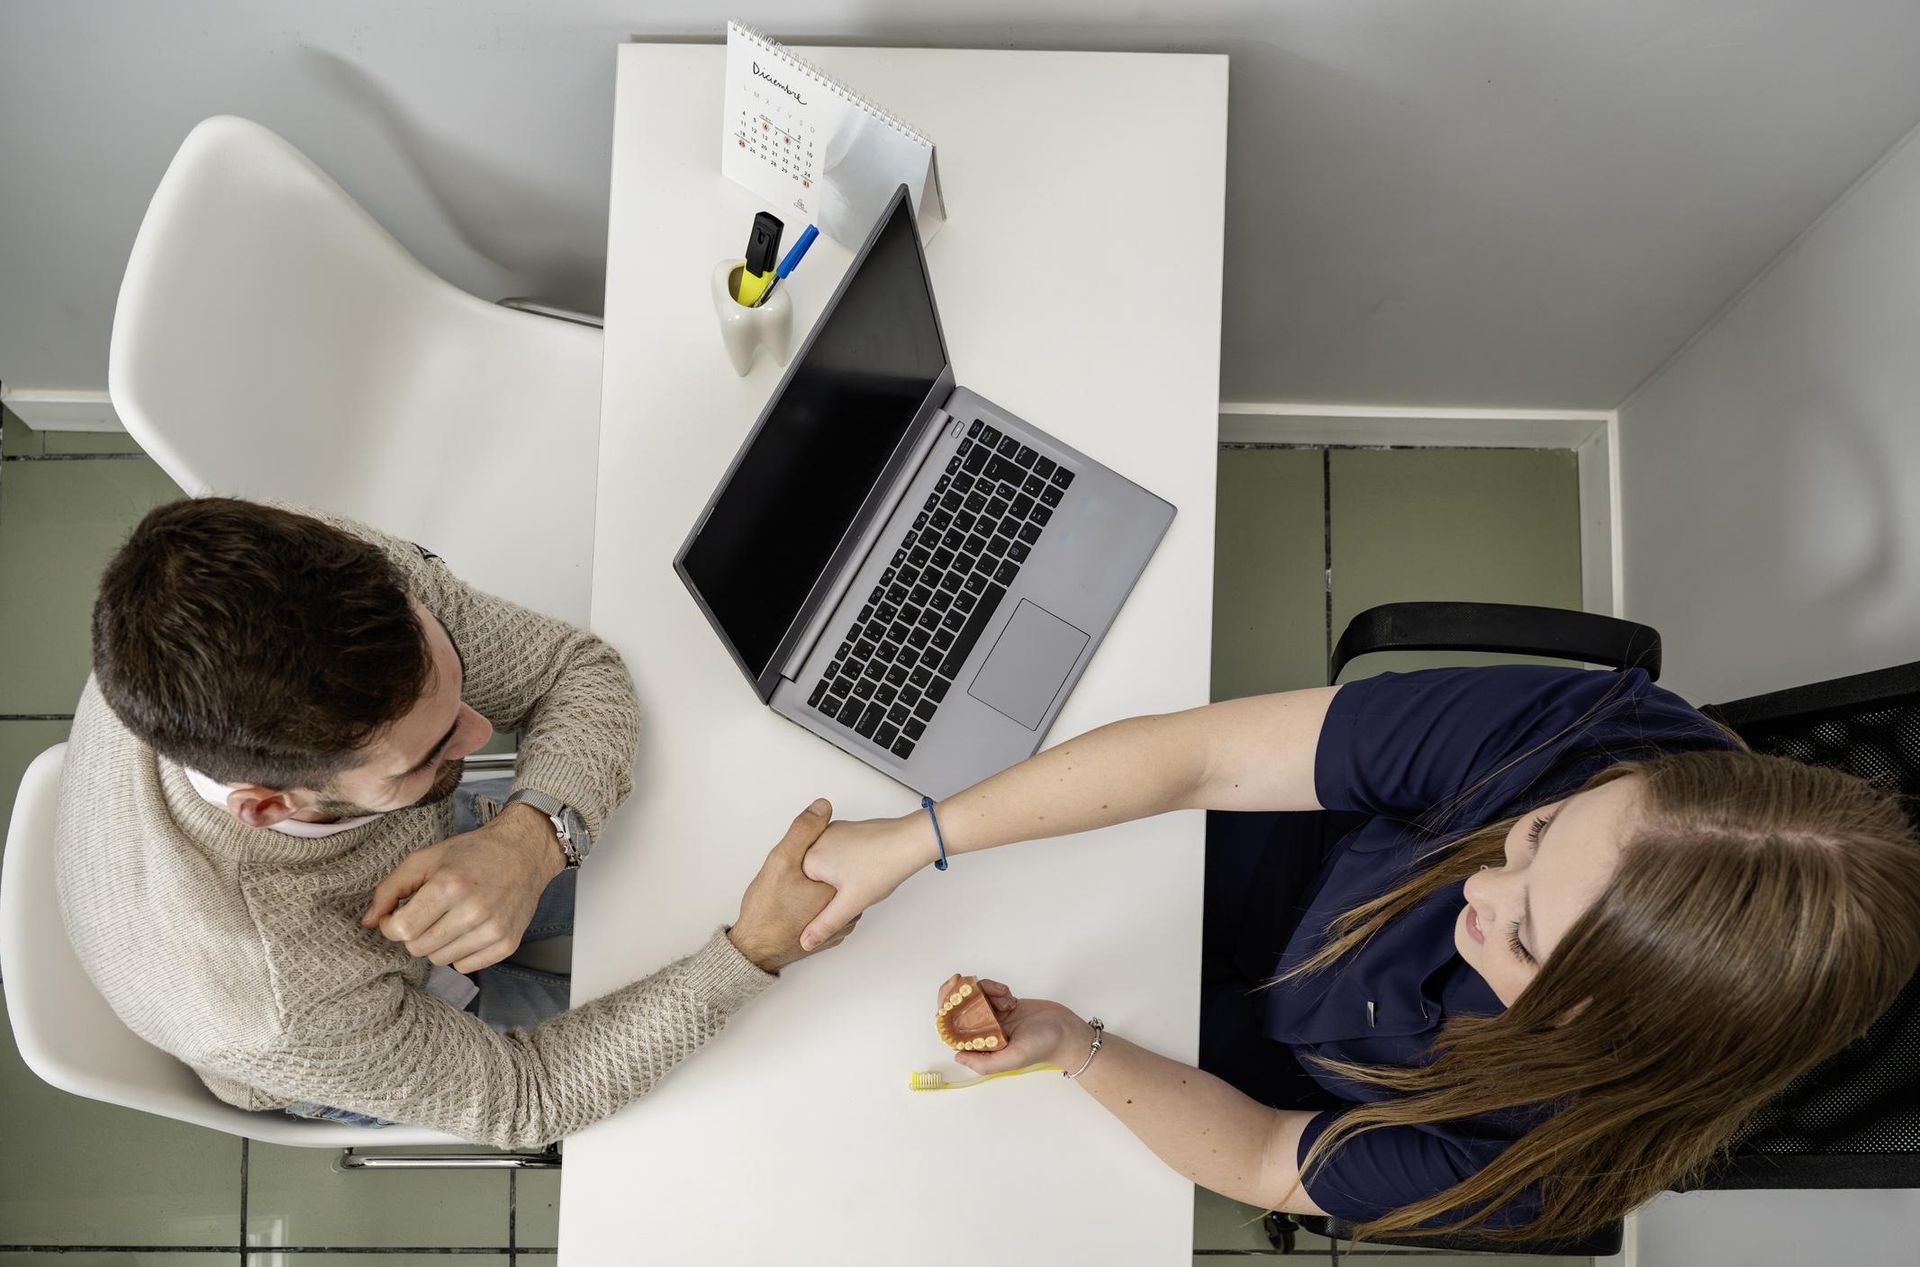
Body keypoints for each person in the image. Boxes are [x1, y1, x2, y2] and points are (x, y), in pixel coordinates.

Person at [796, 664, 1920, 1244]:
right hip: (1280, 864)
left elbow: (1268, 1161)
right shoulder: (1600, 744)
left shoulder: (1554, 1161)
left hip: (1272, 1072)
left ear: (1607, 1035)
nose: (1482, 884)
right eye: (1535, 835)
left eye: (1523, 937)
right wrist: (913, 840)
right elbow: (1203, 759)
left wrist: (1076, 1046)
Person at [58, 497, 851, 1147]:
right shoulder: (281, 1010)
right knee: (753, 1062)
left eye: (456, 682)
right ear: (272, 805)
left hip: (381, 882)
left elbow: (573, 673)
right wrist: (750, 953)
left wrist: (530, 836)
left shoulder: (334, 584)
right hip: (351, 1022)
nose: (480, 734)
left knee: (715, 850)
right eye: (428, 750)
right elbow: (530, 1095)